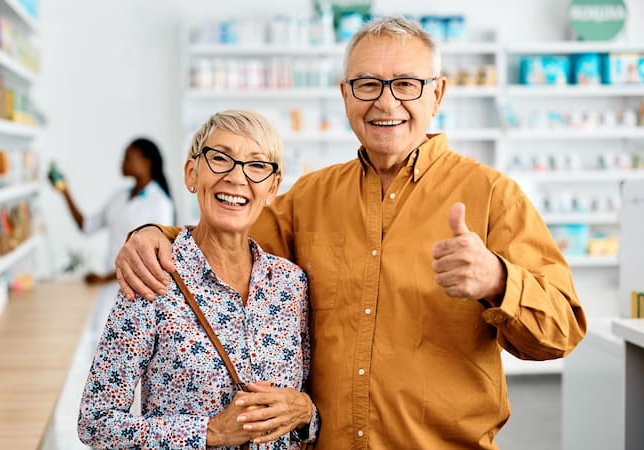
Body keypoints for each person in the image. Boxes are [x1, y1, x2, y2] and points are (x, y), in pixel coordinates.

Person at [113, 16, 587, 450]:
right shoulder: (310, 197)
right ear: (345, 94)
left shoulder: (492, 195)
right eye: (368, 84)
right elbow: (227, 237)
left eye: (406, 84)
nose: (386, 102)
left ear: (437, 94)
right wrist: (154, 231)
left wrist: (499, 281)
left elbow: (562, 331)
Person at [77, 110, 319, 449]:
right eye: (220, 158)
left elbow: (306, 407)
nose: (237, 178)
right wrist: (210, 432)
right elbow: (95, 421)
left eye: (257, 165)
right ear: (192, 173)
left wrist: (306, 411)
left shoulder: (290, 284)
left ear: (272, 188)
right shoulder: (153, 275)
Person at [49, 137, 174, 284]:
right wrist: (65, 192)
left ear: (147, 162)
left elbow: (155, 258)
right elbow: (86, 226)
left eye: (127, 157)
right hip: (112, 285)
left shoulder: (160, 204)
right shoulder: (119, 197)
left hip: (140, 288)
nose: (122, 162)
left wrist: (105, 278)